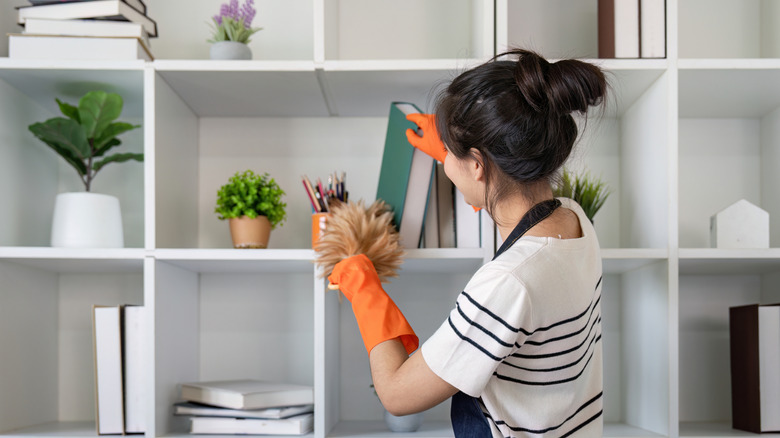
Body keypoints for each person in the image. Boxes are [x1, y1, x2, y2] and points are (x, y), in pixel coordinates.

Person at [327, 49, 608, 437]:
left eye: (452, 155)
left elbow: (396, 393)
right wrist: (458, 152)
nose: (445, 165)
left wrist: (365, 290)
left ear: (478, 164)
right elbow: (516, 223)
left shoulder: (506, 285)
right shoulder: (574, 220)